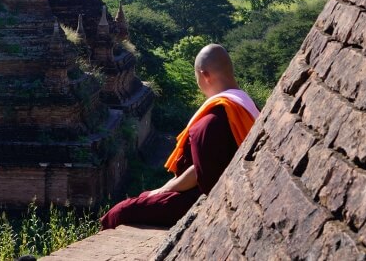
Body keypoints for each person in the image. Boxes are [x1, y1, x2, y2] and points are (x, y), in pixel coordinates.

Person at [100, 44, 260, 230]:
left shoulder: (213, 119)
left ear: (205, 74)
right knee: (145, 197)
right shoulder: (247, 103)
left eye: (197, 77)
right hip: (233, 187)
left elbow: (203, 173)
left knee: (120, 211)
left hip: (201, 197)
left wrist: (166, 188)